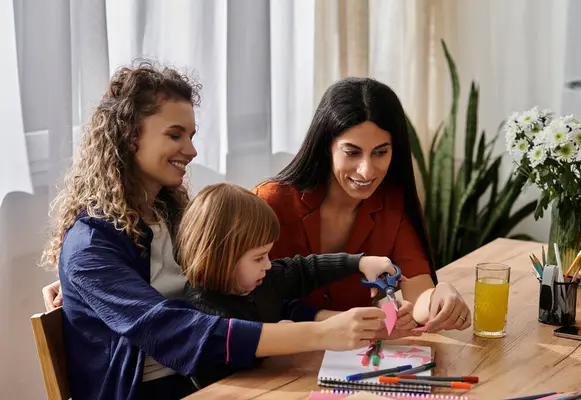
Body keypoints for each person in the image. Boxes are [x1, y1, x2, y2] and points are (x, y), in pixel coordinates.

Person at [39, 63, 396, 400]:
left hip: (215, 377)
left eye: (191, 135)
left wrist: (341, 324)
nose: (191, 150)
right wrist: (319, 333)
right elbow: (172, 329)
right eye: (175, 135)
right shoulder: (89, 245)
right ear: (129, 137)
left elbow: (245, 302)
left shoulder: (175, 216)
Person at [253, 77, 471, 333]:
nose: (367, 171)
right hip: (280, 363)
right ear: (327, 147)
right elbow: (250, 303)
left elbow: (418, 296)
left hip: (357, 358)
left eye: (380, 152)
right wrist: (341, 321)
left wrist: (439, 297)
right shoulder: (271, 203)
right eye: (352, 152)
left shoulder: (392, 205)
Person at [177, 183, 420, 386]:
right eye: (259, 257)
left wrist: (360, 262)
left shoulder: (263, 279)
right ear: (222, 257)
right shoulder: (201, 307)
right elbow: (236, 347)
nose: (268, 265)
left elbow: (305, 269)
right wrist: (286, 333)